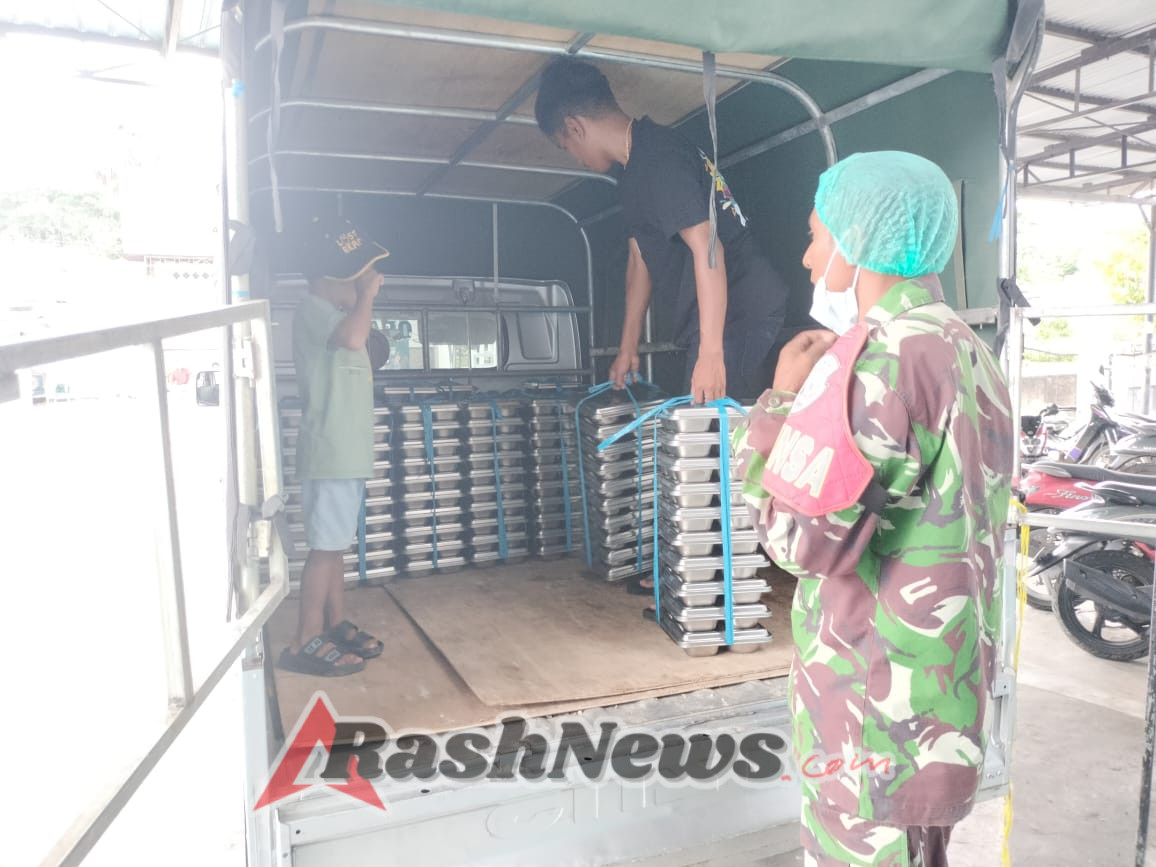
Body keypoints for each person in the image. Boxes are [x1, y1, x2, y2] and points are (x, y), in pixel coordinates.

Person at [732, 151, 1013, 866]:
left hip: (872, 716)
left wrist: (781, 402)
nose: (806, 256)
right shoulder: (969, 350)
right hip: (935, 701)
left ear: (859, 243)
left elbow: (798, 537)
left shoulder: (880, 358)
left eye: (816, 235)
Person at [534, 57, 790, 404]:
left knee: (712, 436)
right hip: (721, 319)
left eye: (567, 147)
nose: (575, 158)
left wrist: (712, 355)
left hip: (741, 311)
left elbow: (709, 248)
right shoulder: (631, 173)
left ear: (575, 127)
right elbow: (640, 259)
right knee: (704, 431)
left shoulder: (660, 160)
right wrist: (628, 347)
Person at [280, 215, 391, 677]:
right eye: (357, 276)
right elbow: (352, 337)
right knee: (324, 549)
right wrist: (366, 297)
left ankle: (334, 621)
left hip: (346, 455)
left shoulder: (343, 318)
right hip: (329, 453)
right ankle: (304, 640)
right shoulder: (313, 311)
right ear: (330, 279)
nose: (366, 284)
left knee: (336, 544)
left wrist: (361, 301)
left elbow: (367, 342)